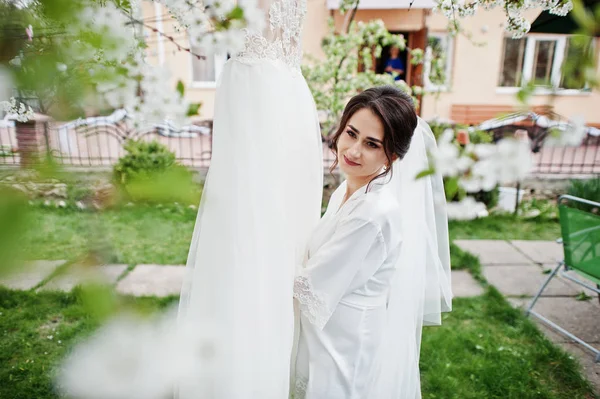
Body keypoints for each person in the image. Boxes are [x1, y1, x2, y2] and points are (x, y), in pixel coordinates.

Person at [176, 0, 323, 397]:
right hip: (290, 94)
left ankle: (245, 369)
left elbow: (207, 32)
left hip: (256, 97)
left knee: (246, 231)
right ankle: (271, 360)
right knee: (278, 234)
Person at [292, 86, 452, 399]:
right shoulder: (350, 189)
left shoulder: (372, 213)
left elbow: (310, 287)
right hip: (329, 331)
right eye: (351, 133)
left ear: (392, 155)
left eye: (371, 144)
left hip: (343, 341)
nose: (352, 151)